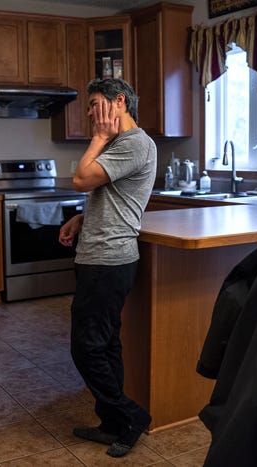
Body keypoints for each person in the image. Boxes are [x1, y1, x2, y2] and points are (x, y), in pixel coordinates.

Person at [58, 78, 157, 458]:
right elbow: (114, 196)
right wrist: (83, 219)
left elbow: (81, 179)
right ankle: (112, 423)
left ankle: (132, 416)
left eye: (95, 103)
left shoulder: (132, 143)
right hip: (98, 254)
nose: (89, 112)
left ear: (119, 101)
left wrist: (98, 137)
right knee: (106, 343)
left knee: (85, 348)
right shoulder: (121, 145)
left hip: (107, 260)